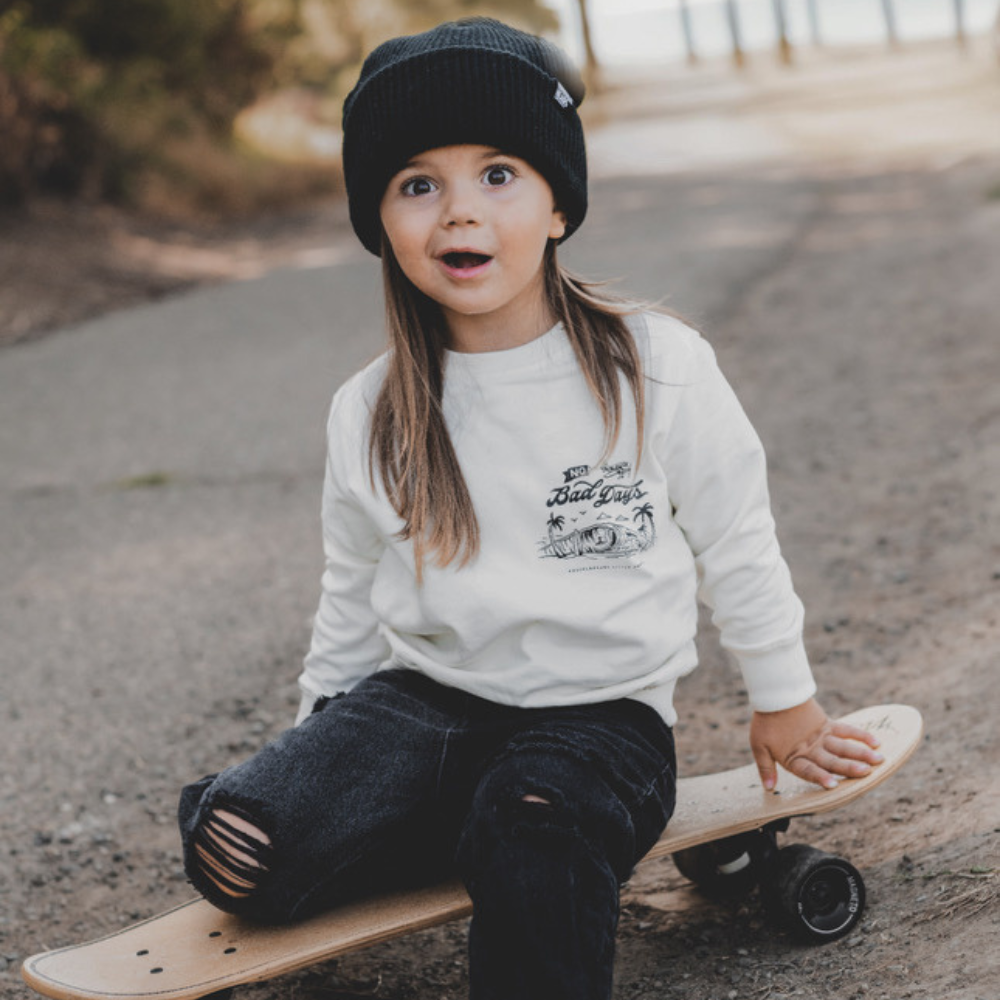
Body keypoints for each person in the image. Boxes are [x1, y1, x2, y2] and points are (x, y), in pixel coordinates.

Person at [178, 17, 883, 1000]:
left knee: (532, 825)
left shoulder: (652, 366)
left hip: (596, 720)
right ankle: (471, 825)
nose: (458, 212)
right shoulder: (369, 411)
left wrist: (784, 694)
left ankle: (517, 833)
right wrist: (320, 763)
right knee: (235, 849)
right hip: (420, 709)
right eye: (417, 184)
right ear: (382, 220)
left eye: (497, 174)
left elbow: (735, 533)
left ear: (558, 204)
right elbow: (349, 589)